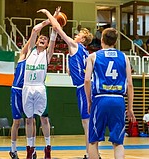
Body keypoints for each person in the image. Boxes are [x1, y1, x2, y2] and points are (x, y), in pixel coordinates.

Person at [38, 8, 96, 159]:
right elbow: (76, 70)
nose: (76, 36)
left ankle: (91, 154)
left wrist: (50, 15)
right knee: (87, 122)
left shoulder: (75, 45)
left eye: (79, 35)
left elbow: (57, 28)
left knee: (86, 123)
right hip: (85, 86)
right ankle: (90, 153)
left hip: (83, 87)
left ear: (82, 40)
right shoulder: (85, 52)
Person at [84, 28, 135, 159]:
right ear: (116, 41)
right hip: (118, 100)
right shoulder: (124, 57)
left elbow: (87, 80)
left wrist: (89, 101)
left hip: (100, 99)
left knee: (93, 141)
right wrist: (130, 108)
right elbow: (129, 84)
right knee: (118, 142)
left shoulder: (93, 56)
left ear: (101, 40)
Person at [22, 7, 60, 159]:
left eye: (45, 40)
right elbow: (34, 30)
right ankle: (30, 149)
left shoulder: (47, 54)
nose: (43, 40)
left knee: (44, 118)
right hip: (27, 87)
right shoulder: (30, 50)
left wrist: (54, 16)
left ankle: (48, 147)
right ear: (37, 41)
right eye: (41, 38)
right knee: (29, 119)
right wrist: (45, 19)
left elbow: (54, 33)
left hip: (39, 87)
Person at [9, 39, 37, 159]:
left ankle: (32, 148)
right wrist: (34, 35)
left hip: (28, 90)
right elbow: (26, 48)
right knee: (16, 122)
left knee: (31, 121)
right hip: (17, 91)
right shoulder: (22, 58)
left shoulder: (36, 63)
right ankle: (13, 149)